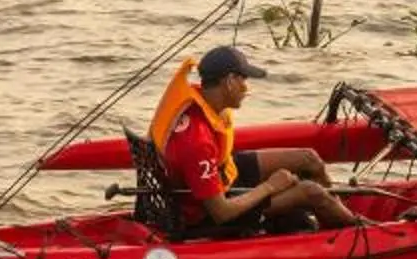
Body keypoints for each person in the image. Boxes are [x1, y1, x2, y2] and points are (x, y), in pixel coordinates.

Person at [155, 45, 362, 234]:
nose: (247, 88)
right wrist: (269, 187)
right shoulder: (197, 142)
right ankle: (357, 229)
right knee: (311, 191)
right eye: (243, 80)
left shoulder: (202, 101)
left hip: (223, 174)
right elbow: (221, 212)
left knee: (309, 159)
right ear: (228, 82)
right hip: (210, 213)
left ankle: (336, 210)